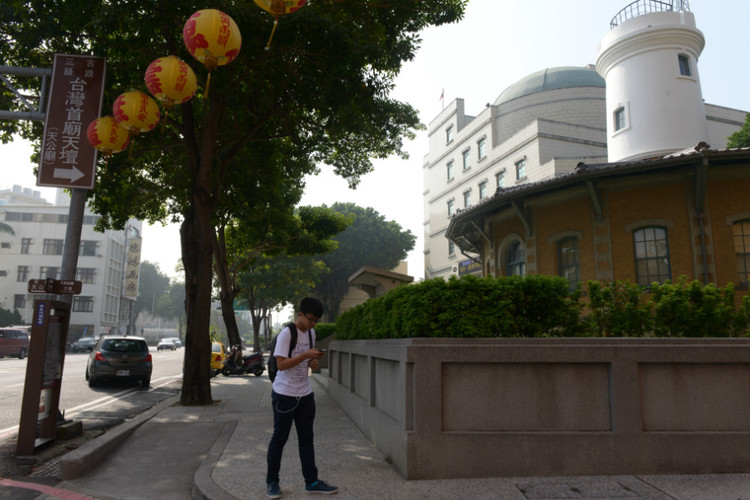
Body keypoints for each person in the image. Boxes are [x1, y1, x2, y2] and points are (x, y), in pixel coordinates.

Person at [266, 297, 338, 498]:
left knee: (307, 440)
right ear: (300, 314)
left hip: (305, 395)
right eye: (310, 319)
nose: (313, 323)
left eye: (316, 320)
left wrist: (313, 363)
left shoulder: (312, 334)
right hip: (284, 395)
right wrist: (306, 355)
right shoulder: (287, 334)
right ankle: (272, 482)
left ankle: (312, 482)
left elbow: (308, 363)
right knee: (279, 440)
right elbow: (281, 364)